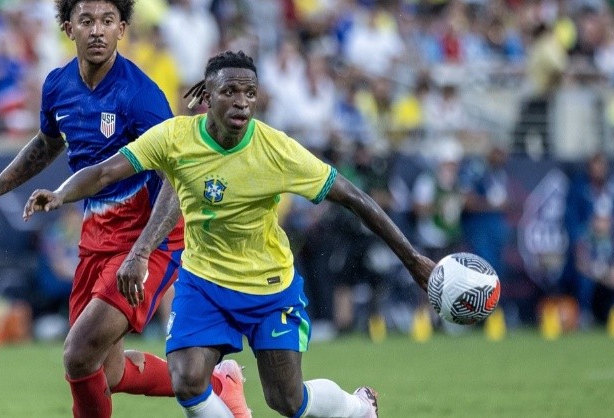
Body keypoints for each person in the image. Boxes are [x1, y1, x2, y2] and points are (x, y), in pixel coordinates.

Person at [23, 50, 436, 418]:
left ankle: (357, 407)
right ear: (208, 97)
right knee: (187, 381)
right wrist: (59, 194)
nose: (242, 102)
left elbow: (354, 197)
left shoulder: (277, 149)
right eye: (230, 92)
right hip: (203, 283)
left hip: (268, 287)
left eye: (249, 93)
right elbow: (106, 170)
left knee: (288, 401)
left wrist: (413, 258)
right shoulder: (176, 137)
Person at [0, 0, 248, 418]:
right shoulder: (58, 85)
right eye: (86, 21)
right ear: (68, 28)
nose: (97, 30)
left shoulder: (141, 96)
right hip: (96, 239)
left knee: (77, 354)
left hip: (149, 240)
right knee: (109, 372)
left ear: (123, 28)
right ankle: (221, 383)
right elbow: (48, 143)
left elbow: (177, 181)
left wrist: (142, 253)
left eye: (108, 20)